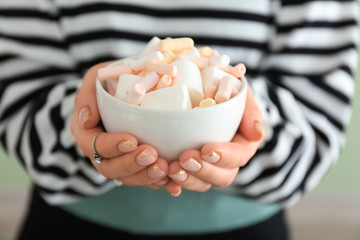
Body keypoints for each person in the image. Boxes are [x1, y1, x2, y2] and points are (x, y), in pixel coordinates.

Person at [0, 0, 358, 239]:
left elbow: (316, 129)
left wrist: (248, 125)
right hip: (71, 222)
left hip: (248, 225)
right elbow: (16, 97)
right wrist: (85, 126)